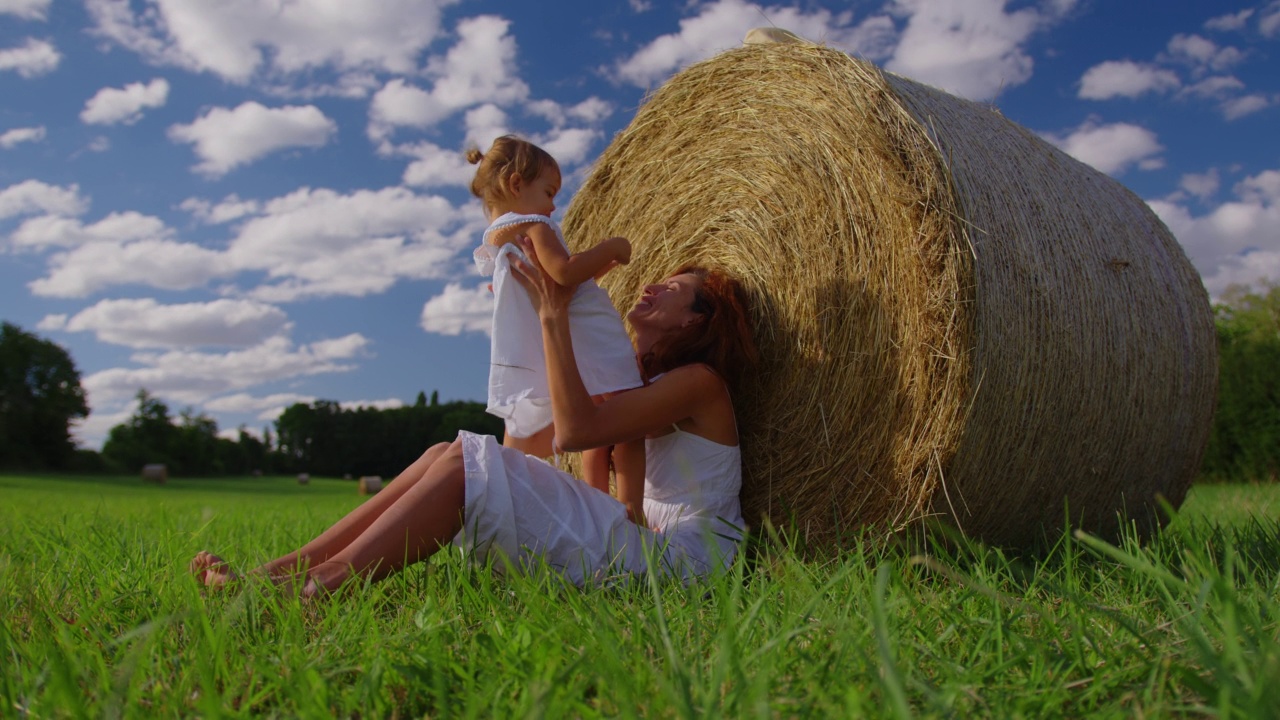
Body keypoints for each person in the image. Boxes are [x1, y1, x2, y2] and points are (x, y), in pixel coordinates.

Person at [190, 245, 758, 595]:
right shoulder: (646, 384)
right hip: (653, 545)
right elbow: (586, 449)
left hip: (691, 564)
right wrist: (610, 510)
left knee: (469, 463)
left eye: (676, 290)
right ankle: (274, 577)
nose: (652, 285)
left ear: (694, 323)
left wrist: (553, 316)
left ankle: (319, 590)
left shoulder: (699, 382)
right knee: (447, 452)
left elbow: (576, 430)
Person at [467, 135, 640, 495]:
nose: (552, 207)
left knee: (593, 420)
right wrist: (612, 247)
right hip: (592, 334)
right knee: (627, 419)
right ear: (516, 184)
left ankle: (595, 499)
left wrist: (598, 268)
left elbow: (561, 286)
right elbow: (564, 272)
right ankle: (631, 508)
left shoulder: (496, 242)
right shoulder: (534, 226)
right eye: (549, 193)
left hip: (566, 339)